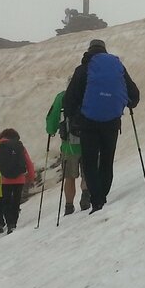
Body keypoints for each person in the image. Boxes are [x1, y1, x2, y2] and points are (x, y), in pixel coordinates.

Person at [62, 39, 140, 213]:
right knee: (106, 161)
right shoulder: (117, 68)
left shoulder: (83, 70)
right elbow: (134, 95)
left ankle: (96, 200)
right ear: (104, 51)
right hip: (111, 123)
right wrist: (128, 104)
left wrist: (74, 119)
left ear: (89, 51)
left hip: (88, 123)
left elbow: (69, 100)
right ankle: (103, 196)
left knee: (89, 163)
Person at [45, 86, 90, 215]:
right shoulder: (89, 93)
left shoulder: (62, 97)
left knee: (70, 177)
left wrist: (51, 130)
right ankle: (86, 195)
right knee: (87, 172)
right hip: (89, 141)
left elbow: (52, 118)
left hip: (69, 145)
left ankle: (69, 206)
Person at [0, 127, 36, 232]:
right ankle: (14, 223)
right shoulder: (20, 146)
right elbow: (29, 163)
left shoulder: (0, 147)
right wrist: (30, 177)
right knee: (16, 201)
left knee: (6, 202)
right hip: (20, 179)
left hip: (6, 180)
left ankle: (9, 223)